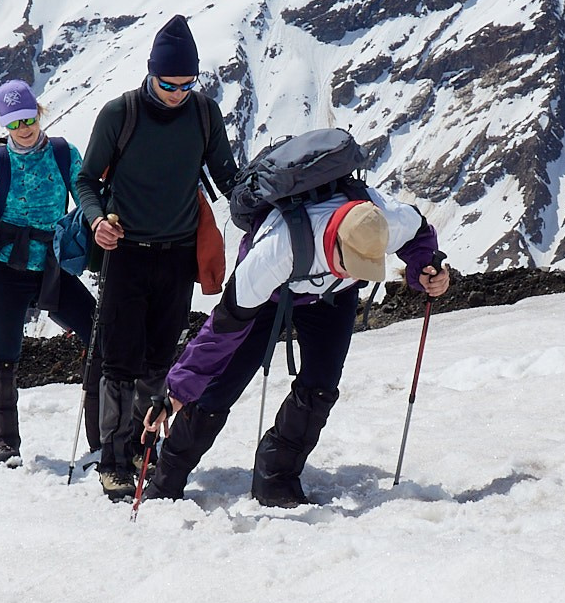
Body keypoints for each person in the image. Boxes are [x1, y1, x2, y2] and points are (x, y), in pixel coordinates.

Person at [144, 167, 451, 506]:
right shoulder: (274, 253)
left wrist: (425, 270)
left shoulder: (384, 219)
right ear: (333, 241)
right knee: (220, 385)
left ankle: (276, 478)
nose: (354, 272)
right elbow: (223, 329)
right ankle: (167, 479)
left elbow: (419, 234)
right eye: (351, 263)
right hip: (270, 294)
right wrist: (177, 392)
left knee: (320, 387)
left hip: (332, 296)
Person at [74, 15, 238, 498]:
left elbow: (228, 177)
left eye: (188, 83)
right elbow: (85, 180)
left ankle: (142, 448)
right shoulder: (120, 114)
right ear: (151, 73)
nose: (178, 93)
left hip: (178, 256)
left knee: (160, 360)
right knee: (119, 362)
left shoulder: (204, 114)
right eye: (169, 84)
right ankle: (113, 460)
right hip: (125, 253)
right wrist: (97, 221)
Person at [0, 80, 98, 467]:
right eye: (13, 123)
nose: (23, 128)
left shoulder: (63, 153)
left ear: (39, 113)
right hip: (8, 267)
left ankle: (103, 437)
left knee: (100, 336)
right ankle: (5, 444)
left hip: (54, 266)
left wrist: (99, 224)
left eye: (27, 119)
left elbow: (85, 196)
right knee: (4, 357)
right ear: (3, 125)